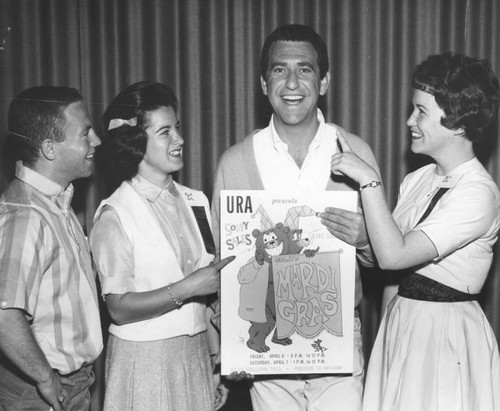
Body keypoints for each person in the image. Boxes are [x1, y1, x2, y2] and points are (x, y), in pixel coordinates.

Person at [212, 24, 380, 410]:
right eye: (278, 69)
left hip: (334, 344)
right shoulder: (236, 161)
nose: (291, 82)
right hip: (268, 349)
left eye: (304, 69)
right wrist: (235, 341)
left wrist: (365, 241)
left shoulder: (356, 152)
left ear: (323, 82)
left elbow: (384, 256)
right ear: (262, 81)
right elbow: (226, 263)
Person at [331, 52, 500, 410]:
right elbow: (396, 270)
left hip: (447, 338)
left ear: (457, 123)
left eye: (421, 111)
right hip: (403, 325)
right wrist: (388, 339)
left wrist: (368, 179)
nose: (409, 120)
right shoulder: (416, 179)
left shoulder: (479, 193)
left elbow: (395, 254)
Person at [89, 81, 234, 411]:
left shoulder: (196, 202)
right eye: (165, 132)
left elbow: (206, 293)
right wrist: (186, 287)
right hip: (144, 363)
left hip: (196, 353)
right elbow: (118, 307)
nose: (180, 139)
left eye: (178, 128)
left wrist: (214, 362)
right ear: (136, 143)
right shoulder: (115, 214)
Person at [0, 86, 103, 410]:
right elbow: (4, 314)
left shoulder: (57, 203)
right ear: (49, 148)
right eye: (85, 133)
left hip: (71, 386)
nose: (96, 142)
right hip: (39, 394)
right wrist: (45, 378)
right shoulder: (26, 216)